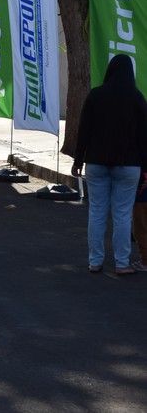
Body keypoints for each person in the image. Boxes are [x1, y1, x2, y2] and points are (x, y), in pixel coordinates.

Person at [72, 54, 147, 275]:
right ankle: (122, 263)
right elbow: (144, 137)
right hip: (129, 165)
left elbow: (83, 130)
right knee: (123, 214)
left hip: (96, 162)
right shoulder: (137, 98)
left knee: (96, 211)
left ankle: (95, 261)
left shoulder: (95, 96)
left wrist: (78, 160)